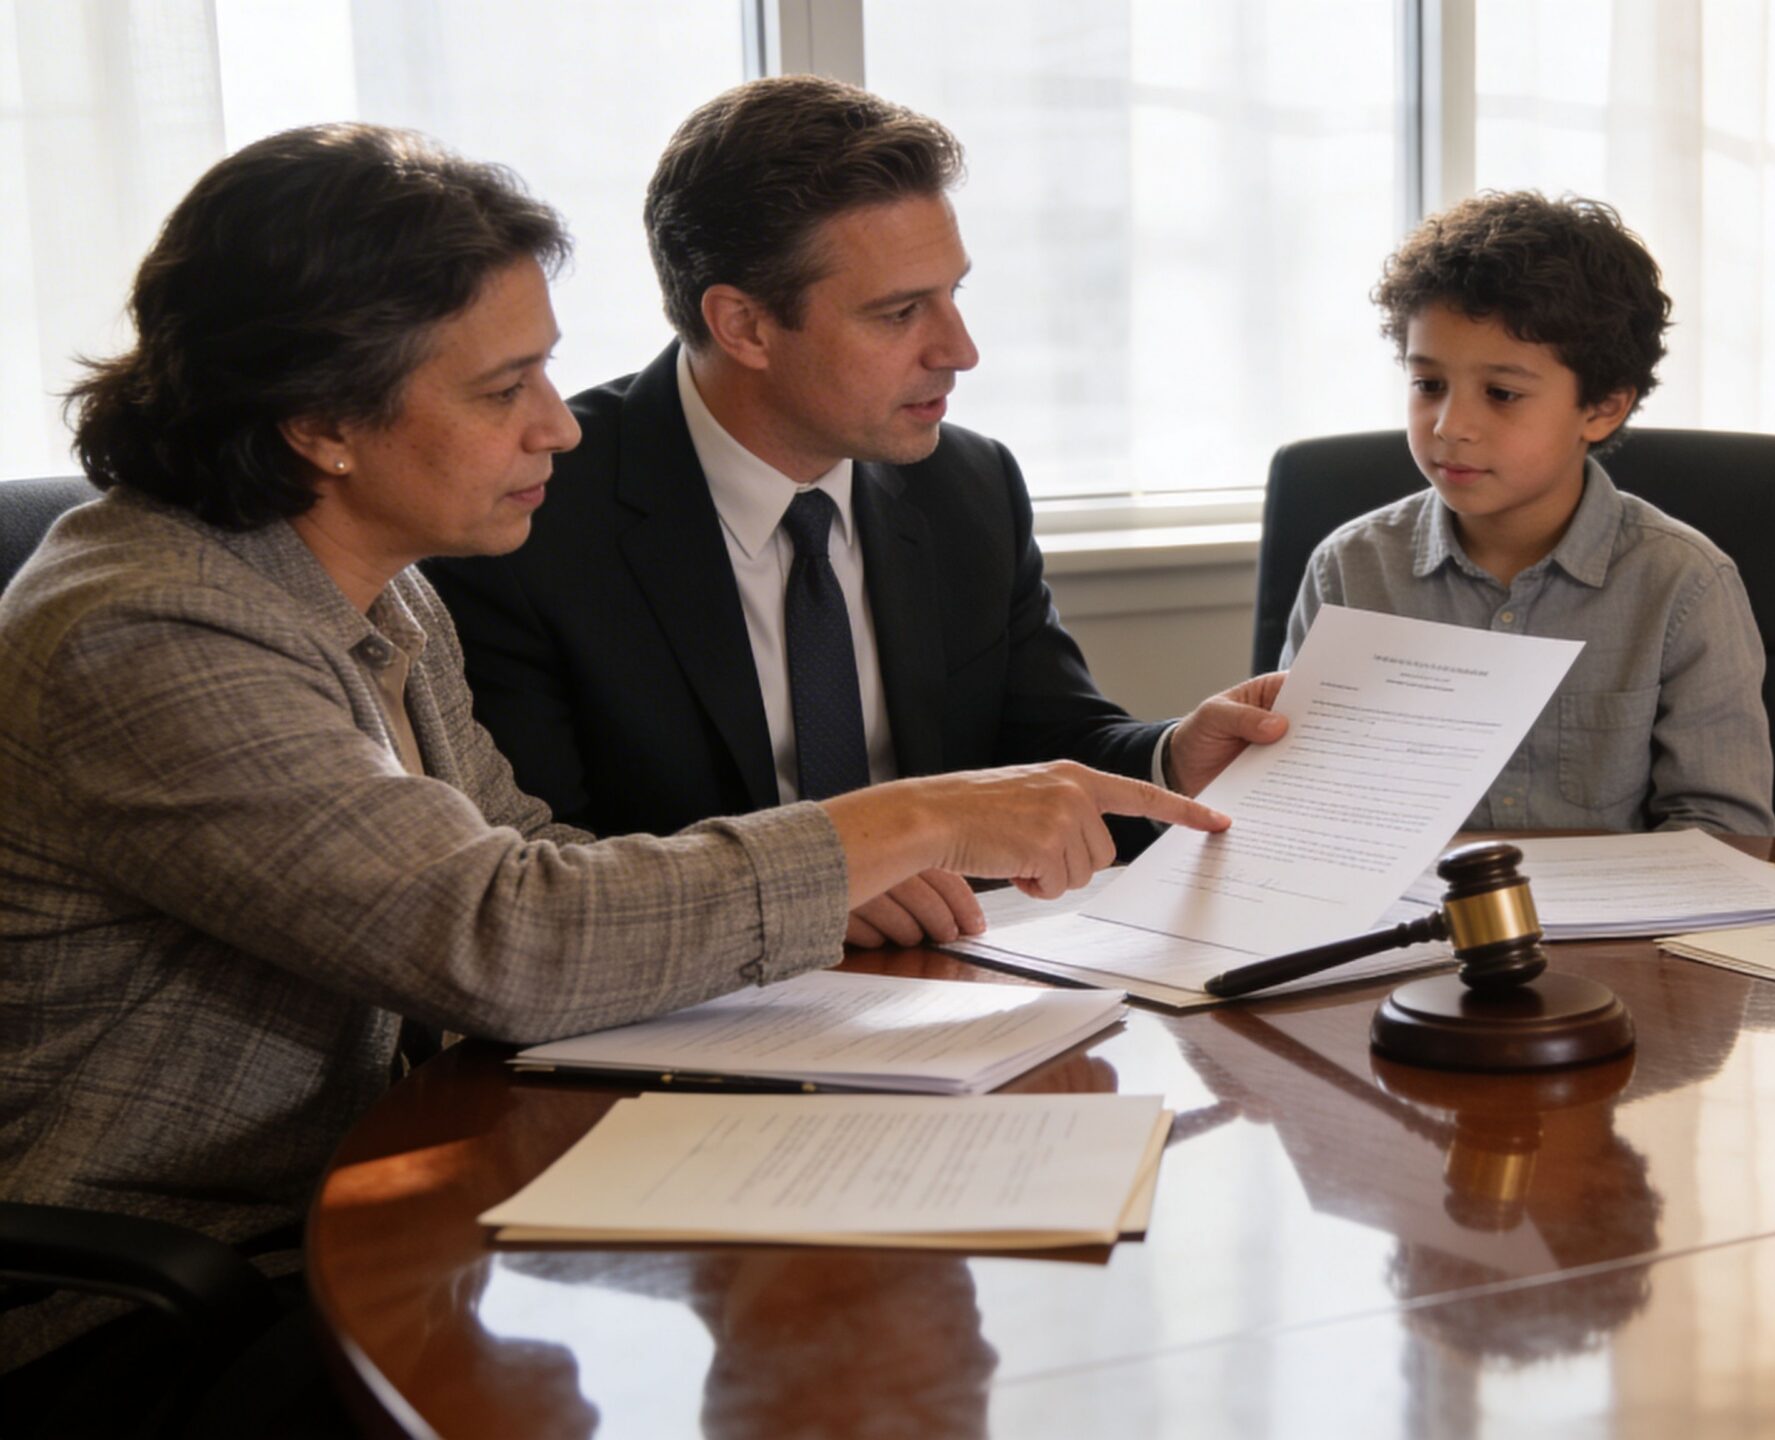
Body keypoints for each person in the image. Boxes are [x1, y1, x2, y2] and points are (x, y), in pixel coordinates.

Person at [0, 123, 1224, 1402]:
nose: (558, 430)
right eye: (499, 391)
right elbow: (501, 939)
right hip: (157, 1308)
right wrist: (901, 826)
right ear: (320, 423)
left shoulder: (379, 592)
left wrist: (840, 882)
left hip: (375, 1213)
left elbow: (531, 860)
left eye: (546, 375)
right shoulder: (150, 628)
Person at [424, 76, 1283, 950]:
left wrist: (1174, 759)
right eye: (901, 312)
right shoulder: (527, 515)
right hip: (672, 1026)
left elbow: (1041, 744)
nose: (961, 350)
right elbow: (538, 869)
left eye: (954, 293)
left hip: (940, 1002)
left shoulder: (967, 482)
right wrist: (813, 884)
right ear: (745, 327)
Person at [1282, 192, 1775, 835]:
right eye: (1428, 385)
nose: (1451, 426)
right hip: (1405, 927)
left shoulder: (1683, 583)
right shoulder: (1348, 570)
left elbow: (1723, 830)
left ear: (1602, 408)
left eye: (1502, 394)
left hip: (1617, 928)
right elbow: (1298, 797)